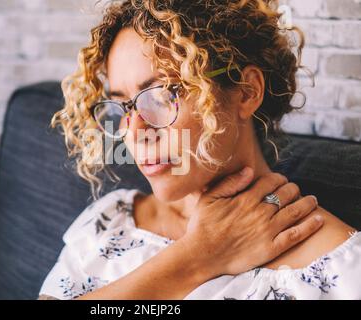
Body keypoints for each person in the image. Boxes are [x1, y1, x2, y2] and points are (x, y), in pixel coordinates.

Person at [39, 0, 359, 300]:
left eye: (162, 95)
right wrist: (194, 258)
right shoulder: (110, 221)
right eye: (124, 106)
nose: (133, 132)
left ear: (247, 92)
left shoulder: (339, 266)